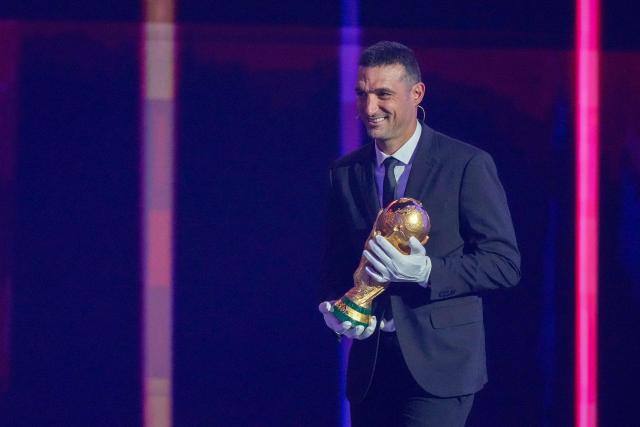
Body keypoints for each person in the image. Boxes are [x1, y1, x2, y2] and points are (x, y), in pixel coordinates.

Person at [319, 41, 521, 426]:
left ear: (417, 94)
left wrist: (427, 272)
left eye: (383, 94)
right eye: (362, 94)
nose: (369, 108)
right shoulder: (345, 172)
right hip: (371, 369)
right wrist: (333, 308)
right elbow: (334, 261)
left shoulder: (466, 164)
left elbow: (504, 264)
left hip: (440, 368)